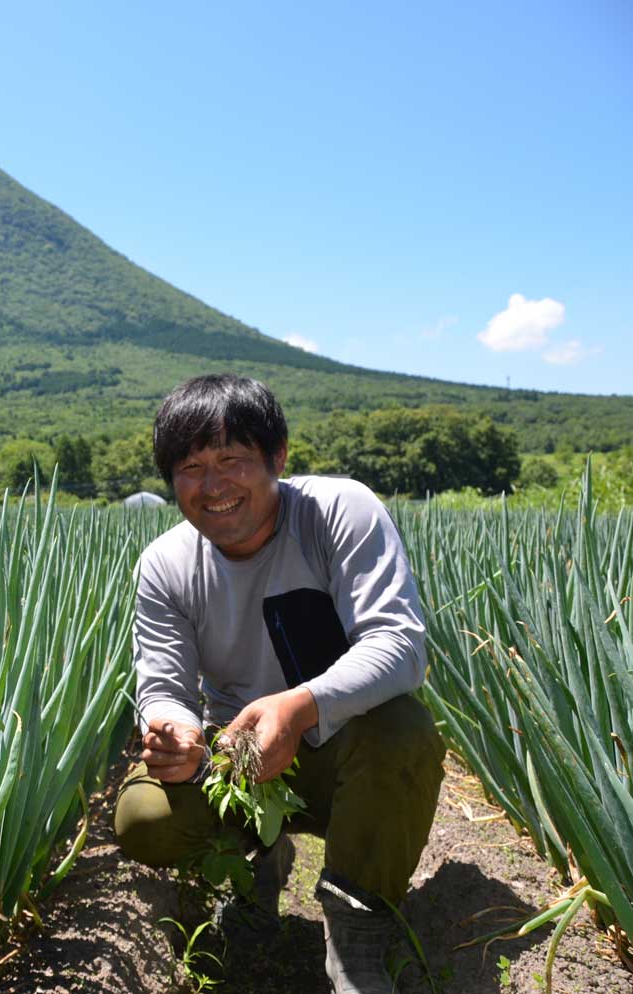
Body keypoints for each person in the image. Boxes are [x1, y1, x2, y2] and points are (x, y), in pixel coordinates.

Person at [113, 374, 445, 994]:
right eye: (190, 467)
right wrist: (175, 732)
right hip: (234, 754)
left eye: (232, 459)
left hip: (343, 746)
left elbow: (399, 647)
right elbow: (162, 685)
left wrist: (299, 707)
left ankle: (357, 934)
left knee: (405, 730)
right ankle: (259, 867)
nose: (213, 486)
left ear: (279, 456)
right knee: (142, 817)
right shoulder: (165, 564)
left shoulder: (337, 511)